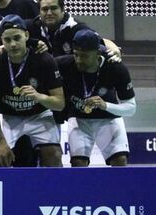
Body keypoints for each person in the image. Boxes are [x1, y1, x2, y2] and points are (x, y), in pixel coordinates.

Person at [0, 15, 65, 167]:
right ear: (1, 40)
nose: (13, 44)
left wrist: (39, 96)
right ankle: (5, 190)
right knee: (1, 157)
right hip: (9, 116)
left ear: (26, 35)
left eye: (17, 38)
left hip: (39, 115)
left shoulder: (44, 60)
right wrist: (0, 141)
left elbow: (60, 104)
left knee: (53, 154)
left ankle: (54, 190)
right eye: (7, 40)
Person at [57, 30, 136, 167]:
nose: (79, 60)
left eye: (85, 56)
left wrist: (105, 105)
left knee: (120, 161)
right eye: (76, 55)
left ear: (98, 54)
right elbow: (41, 64)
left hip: (108, 118)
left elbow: (131, 108)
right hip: (79, 119)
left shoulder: (116, 68)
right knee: (78, 163)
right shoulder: (64, 64)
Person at [31, 0, 122, 59]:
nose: (49, 13)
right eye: (45, 9)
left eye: (54, 8)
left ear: (62, 10)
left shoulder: (75, 27)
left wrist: (114, 48)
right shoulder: (33, 25)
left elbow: (97, 39)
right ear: (39, 12)